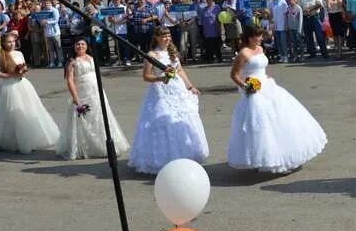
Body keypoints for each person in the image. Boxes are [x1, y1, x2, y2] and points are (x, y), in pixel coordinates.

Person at [227, 25, 327, 172]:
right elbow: (234, 74)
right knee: (260, 125)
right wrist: (246, 86)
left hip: (267, 85)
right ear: (250, 37)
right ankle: (264, 158)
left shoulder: (260, 49)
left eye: (262, 36)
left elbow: (261, 68)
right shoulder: (243, 53)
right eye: (258, 36)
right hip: (254, 91)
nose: (261, 38)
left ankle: (285, 154)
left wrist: (266, 77)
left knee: (282, 118)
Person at [128, 27, 208, 174]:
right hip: (161, 92)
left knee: (183, 119)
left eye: (168, 36)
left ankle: (185, 154)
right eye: (164, 36)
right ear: (157, 38)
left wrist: (190, 86)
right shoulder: (152, 54)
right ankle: (163, 158)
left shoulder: (173, 52)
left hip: (178, 90)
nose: (167, 39)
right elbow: (146, 76)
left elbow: (180, 70)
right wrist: (161, 78)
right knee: (164, 120)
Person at [0, 31, 60, 154]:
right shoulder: (0, 55)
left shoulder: (19, 53)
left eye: (13, 41)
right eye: (9, 42)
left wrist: (22, 72)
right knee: (11, 114)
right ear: (3, 43)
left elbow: (24, 67)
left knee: (28, 111)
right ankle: (12, 141)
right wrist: (10, 75)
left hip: (23, 84)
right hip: (9, 86)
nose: (11, 44)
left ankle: (32, 138)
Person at [58, 38, 130, 160]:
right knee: (86, 118)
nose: (80, 46)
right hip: (83, 92)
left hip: (96, 91)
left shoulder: (91, 58)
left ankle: (103, 144)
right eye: (77, 44)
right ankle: (86, 146)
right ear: (74, 47)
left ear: (87, 46)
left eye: (82, 44)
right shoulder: (72, 62)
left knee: (101, 116)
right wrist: (75, 96)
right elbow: (70, 80)